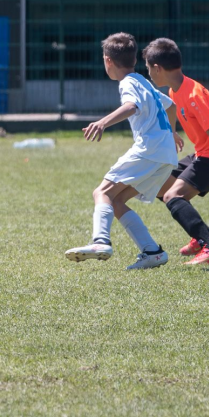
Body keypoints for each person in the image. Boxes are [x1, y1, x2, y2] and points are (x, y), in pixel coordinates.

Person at [64, 33, 177, 270]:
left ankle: (100, 242)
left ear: (107, 61)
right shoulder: (144, 81)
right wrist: (172, 133)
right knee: (116, 201)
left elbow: (131, 106)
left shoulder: (127, 83)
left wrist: (103, 122)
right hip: (166, 154)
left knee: (101, 192)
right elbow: (172, 105)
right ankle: (152, 252)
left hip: (149, 149)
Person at [143, 37, 209, 266]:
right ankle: (205, 237)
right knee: (159, 185)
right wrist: (174, 131)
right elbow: (173, 108)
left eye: (149, 69)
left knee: (172, 196)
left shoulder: (193, 94)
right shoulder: (175, 89)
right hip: (204, 153)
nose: (149, 74)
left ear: (158, 68)